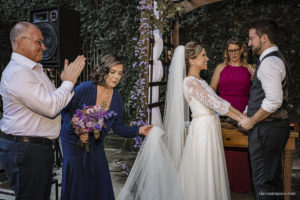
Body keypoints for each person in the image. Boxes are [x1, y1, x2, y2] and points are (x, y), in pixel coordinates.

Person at [117, 42, 245, 200]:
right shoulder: (190, 82)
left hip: (210, 127)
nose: (208, 58)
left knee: (211, 169)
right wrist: (243, 119)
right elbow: (217, 105)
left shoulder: (201, 81)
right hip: (203, 130)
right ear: (192, 60)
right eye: (203, 55)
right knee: (202, 170)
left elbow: (221, 101)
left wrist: (242, 116)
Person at [0, 21, 85, 200]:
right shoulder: (19, 73)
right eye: (39, 41)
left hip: (35, 150)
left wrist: (65, 84)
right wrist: (68, 83)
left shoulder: (34, 70)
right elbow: (51, 107)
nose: (44, 47)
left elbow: (55, 99)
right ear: (22, 42)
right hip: (26, 151)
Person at [60, 54, 152, 200]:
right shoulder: (85, 89)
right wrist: (78, 130)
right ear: (104, 71)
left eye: (120, 73)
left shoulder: (117, 99)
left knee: (100, 180)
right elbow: (64, 111)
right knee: (78, 183)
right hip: (73, 143)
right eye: (112, 72)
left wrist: (139, 130)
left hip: (95, 144)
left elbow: (118, 127)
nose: (116, 77)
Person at [239, 19, 290, 199]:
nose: (249, 43)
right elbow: (264, 94)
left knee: (263, 182)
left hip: (265, 129)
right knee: (272, 179)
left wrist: (251, 120)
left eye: (252, 38)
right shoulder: (274, 59)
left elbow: (273, 101)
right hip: (273, 128)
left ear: (264, 38)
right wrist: (248, 109)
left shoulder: (269, 63)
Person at [210, 37, 252, 193]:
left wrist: (249, 110)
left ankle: (242, 183)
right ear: (227, 52)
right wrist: (217, 108)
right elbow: (211, 91)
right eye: (230, 50)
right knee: (223, 148)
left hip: (243, 113)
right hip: (222, 113)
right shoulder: (220, 67)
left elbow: (256, 92)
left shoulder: (250, 68)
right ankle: (223, 184)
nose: (233, 53)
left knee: (241, 148)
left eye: (236, 50)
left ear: (242, 49)